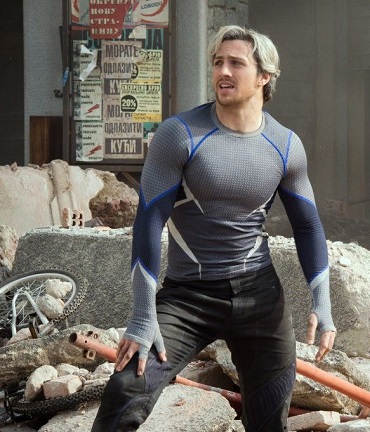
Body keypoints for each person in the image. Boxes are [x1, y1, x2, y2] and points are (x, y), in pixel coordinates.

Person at [92, 25, 336, 432]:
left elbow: (308, 227)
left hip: (259, 295)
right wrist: (142, 315)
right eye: (218, 62)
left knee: (270, 418)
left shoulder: (285, 144)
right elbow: (149, 221)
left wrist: (322, 305)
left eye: (236, 63)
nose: (222, 71)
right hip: (189, 297)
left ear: (264, 76)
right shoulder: (180, 134)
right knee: (127, 388)